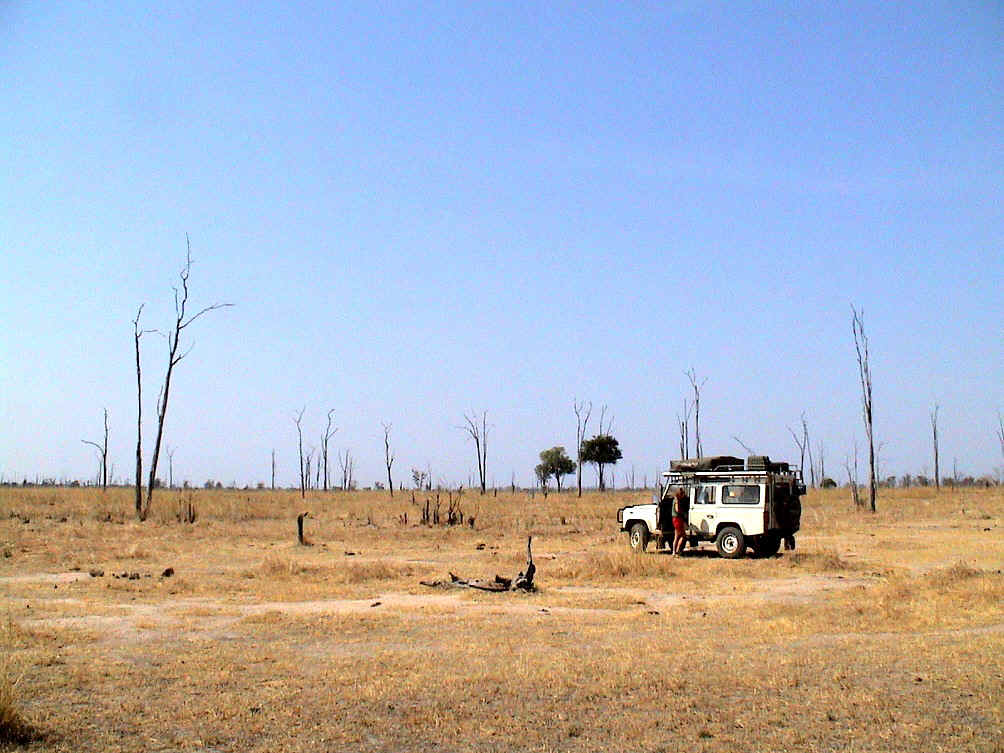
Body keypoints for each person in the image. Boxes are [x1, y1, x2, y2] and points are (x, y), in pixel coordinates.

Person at [671, 487, 689, 556]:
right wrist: (683, 513)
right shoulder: (677, 500)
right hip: (678, 519)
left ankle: (674, 552)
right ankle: (677, 551)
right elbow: (677, 510)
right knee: (682, 536)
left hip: (676, 519)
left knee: (676, 536)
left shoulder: (675, 499)